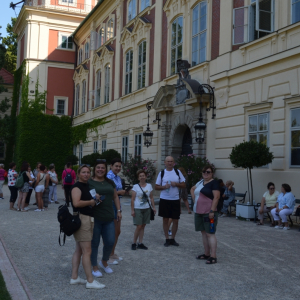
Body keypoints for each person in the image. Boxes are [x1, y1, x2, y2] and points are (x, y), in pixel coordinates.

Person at [70, 164, 105, 289]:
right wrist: (91, 202)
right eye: (83, 172)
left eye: (88, 172)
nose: (86, 174)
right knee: (87, 251)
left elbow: (89, 202)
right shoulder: (76, 187)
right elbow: (76, 203)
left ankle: (74, 277)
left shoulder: (87, 186)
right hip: (82, 219)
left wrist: (95, 199)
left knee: (79, 250)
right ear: (78, 174)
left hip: (88, 218)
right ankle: (90, 281)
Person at [89, 160, 121, 277]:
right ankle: (94, 266)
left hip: (109, 217)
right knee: (95, 243)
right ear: (95, 169)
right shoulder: (90, 182)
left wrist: (118, 210)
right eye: (98, 168)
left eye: (102, 168)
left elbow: (115, 197)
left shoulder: (110, 182)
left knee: (110, 241)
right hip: (95, 217)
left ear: (105, 169)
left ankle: (104, 261)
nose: (100, 170)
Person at [190, 165, 220, 264]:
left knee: (210, 233)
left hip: (209, 213)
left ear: (212, 173)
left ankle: (213, 256)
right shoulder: (200, 182)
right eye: (204, 172)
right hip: (199, 211)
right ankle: (206, 253)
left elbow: (216, 197)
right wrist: (195, 200)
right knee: (203, 233)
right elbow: (192, 189)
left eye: (208, 172)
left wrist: (212, 211)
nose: (205, 173)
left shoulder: (214, 183)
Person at [155, 156, 186, 247]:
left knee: (176, 220)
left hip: (175, 199)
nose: (169, 163)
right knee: (165, 219)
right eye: (168, 161)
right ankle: (167, 239)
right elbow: (156, 186)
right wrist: (164, 187)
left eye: (171, 161)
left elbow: (184, 185)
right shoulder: (162, 173)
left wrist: (176, 184)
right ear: (165, 163)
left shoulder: (177, 172)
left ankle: (173, 238)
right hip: (165, 199)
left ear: (174, 163)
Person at [106, 158, 126, 264]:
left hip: (117, 205)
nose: (118, 168)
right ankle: (108, 256)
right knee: (111, 232)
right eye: (116, 166)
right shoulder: (109, 177)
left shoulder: (117, 177)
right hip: (110, 205)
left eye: (119, 166)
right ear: (111, 166)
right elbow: (108, 193)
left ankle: (112, 253)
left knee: (117, 231)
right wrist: (120, 192)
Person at [131, 169, 156, 250]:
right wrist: (132, 210)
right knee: (139, 226)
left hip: (147, 208)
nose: (142, 177)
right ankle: (134, 243)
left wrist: (154, 207)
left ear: (145, 177)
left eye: (143, 176)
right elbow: (132, 199)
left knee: (143, 226)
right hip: (138, 208)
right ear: (138, 178)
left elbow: (151, 197)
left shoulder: (149, 186)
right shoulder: (135, 186)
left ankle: (140, 242)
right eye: (140, 176)